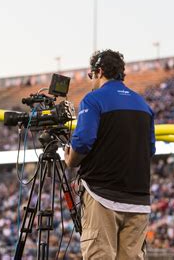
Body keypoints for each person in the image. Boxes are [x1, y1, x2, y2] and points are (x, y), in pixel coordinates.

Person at [64, 49, 156, 259]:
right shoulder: (143, 105)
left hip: (102, 195)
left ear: (99, 71)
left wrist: (70, 160)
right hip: (139, 200)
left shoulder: (93, 99)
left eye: (91, 75)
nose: (92, 81)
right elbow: (149, 150)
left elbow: (84, 142)